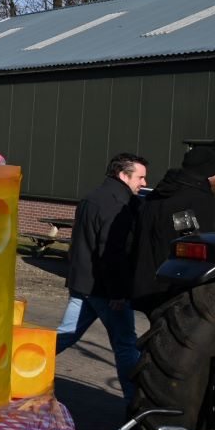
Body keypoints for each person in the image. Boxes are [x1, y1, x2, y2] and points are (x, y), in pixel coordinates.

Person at [54, 153, 147, 402]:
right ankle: (135, 403)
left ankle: (16, 368)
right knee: (126, 345)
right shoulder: (117, 204)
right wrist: (117, 292)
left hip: (83, 283)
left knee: (65, 334)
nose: (144, 182)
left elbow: (82, 242)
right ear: (123, 175)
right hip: (104, 290)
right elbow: (111, 251)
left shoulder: (93, 197)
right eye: (140, 177)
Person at [130, 144, 215, 316]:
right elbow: (197, 246)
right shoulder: (200, 201)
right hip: (176, 291)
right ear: (209, 172)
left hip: (146, 284)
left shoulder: (157, 195)